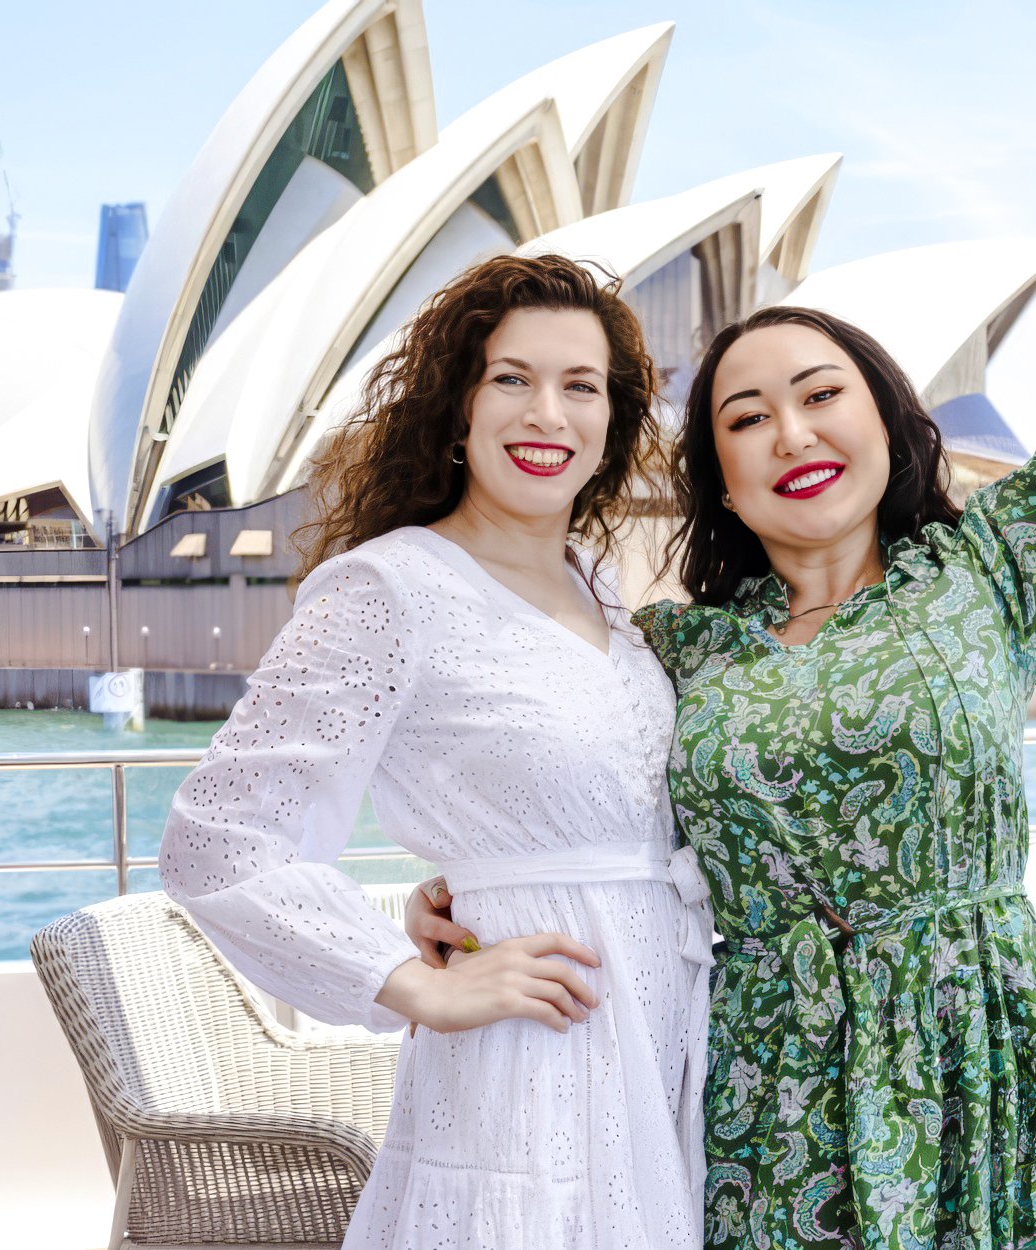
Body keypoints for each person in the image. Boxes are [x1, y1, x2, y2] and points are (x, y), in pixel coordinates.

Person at [415, 12, 1036, 1247]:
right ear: (716, 476)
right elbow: (565, 785)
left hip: (989, 1067)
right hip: (769, 1099)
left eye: (820, 394)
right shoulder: (679, 648)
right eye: (745, 417)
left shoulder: (994, 571)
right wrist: (458, 894)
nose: (790, 432)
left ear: (886, 422)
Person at [157, 253, 713, 1249]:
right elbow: (218, 842)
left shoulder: (597, 583)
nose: (547, 411)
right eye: (511, 377)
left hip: (656, 1028)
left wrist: (468, 888)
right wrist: (412, 979)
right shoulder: (391, 590)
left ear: (612, 421)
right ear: (456, 404)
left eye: (579, 385)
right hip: (533, 1047)